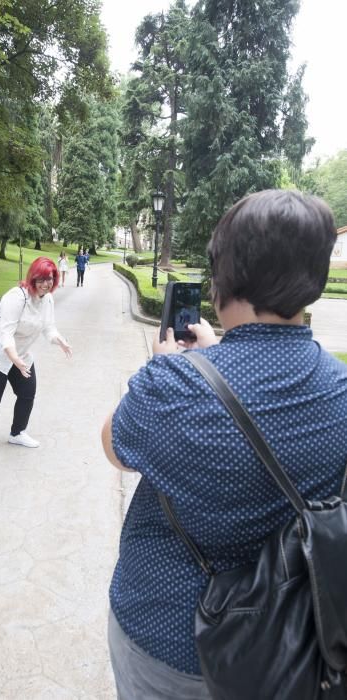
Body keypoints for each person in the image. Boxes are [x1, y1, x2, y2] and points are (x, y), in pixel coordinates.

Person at [102, 190, 347, 700]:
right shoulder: (339, 387)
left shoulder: (171, 386)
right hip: (287, 648)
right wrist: (214, 364)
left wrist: (165, 367)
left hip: (167, 638)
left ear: (223, 279)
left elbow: (114, 447)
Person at [0, 256, 72, 458]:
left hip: (20, 353)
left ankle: (17, 433)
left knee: (27, 392)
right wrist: (14, 359)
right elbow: (5, 334)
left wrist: (60, 341)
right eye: (40, 279)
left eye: (49, 279)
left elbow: (49, 328)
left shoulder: (47, 299)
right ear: (32, 278)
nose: (45, 284)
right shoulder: (17, 297)